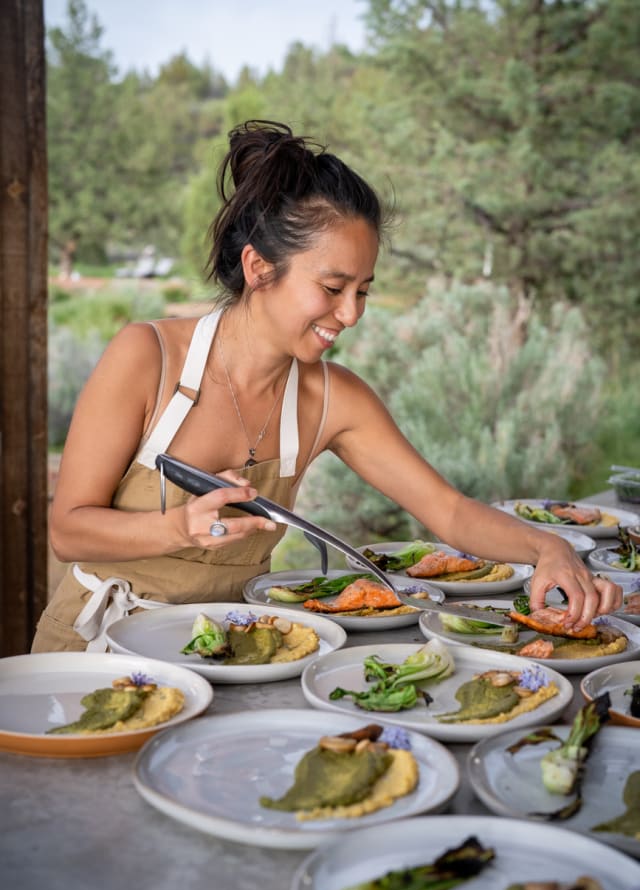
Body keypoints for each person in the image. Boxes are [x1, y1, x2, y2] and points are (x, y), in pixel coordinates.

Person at [32, 120, 622, 652]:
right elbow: (67, 530)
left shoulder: (331, 399)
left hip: (227, 654)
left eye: (363, 289)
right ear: (260, 268)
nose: (352, 313)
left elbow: (448, 511)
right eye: (333, 287)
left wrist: (550, 548)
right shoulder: (148, 358)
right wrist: (176, 527)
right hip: (97, 647)